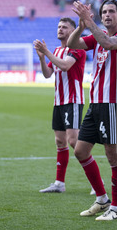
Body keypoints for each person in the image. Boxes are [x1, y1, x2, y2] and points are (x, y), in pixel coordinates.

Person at [67, 0, 117, 220]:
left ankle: (115, 209)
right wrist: (80, 25)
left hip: (112, 104)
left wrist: (90, 23)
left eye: (111, 12)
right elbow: (72, 44)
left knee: (113, 155)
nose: (107, 15)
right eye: (104, 12)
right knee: (80, 151)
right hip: (95, 104)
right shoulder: (95, 37)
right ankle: (102, 198)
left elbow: (108, 43)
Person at [33, 17, 87, 193]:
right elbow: (48, 74)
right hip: (59, 101)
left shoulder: (77, 48)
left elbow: (64, 66)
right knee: (60, 141)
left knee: (73, 140)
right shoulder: (56, 50)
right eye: (58, 26)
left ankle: (97, 181)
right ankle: (59, 183)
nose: (60, 29)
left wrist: (47, 53)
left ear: (72, 31)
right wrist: (42, 58)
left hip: (73, 100)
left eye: (64, 27)